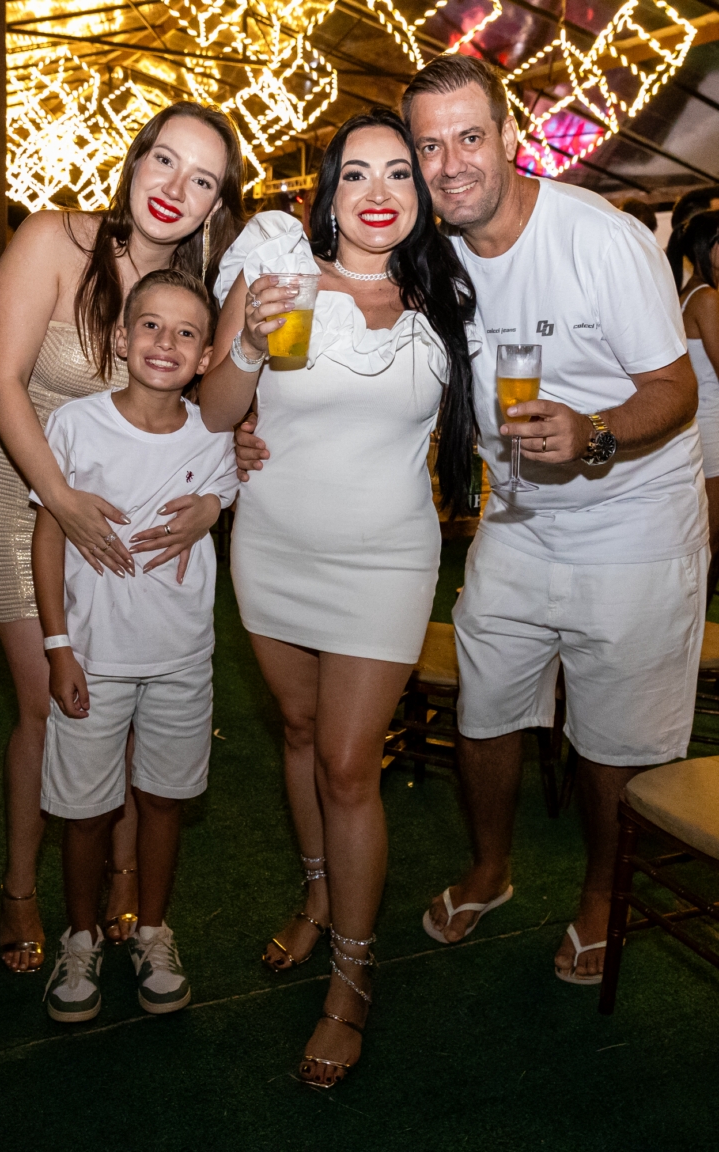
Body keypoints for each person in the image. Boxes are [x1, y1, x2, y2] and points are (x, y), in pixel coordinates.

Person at [237, 56, 707, 987]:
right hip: (518, 516)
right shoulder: (432, 256)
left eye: (469, 137)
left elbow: (676, 387)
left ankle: (599, 897)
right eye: (429, 145)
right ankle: (490, 869)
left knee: (611, 738)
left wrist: (595, 433)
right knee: (487, 710)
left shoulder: (601, 240)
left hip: (632, 520)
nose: (449, 164)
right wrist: (256, 425)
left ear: (509, 137)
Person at [201, 107, 475, 1085]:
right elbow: (219, 412)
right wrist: (245, 350)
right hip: (275, 547)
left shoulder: (450, 297)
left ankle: (353, 977)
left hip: (388, 559)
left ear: (423, 194)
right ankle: (318, 895)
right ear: (329, 194)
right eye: (355, 174)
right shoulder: (278, 273)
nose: (376, 193)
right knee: (300, 730)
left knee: (351, 765)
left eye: (398, 172)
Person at [0, 101, 245, 972]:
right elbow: (1, 379)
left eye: (202, 180)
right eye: (165, 160)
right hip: (25, 498)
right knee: (54, 703)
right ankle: (21, 888)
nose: (175, 188)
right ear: (135, 159)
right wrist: (61, 499)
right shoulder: (55, 239)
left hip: (129, 523)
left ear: (216, 204)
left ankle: (125, 880)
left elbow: (220, 416)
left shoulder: (202, 290)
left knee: (134, 702)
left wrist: (220, 492)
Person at [33, 268, 236, 1022]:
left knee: (163, 800)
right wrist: (58, 645)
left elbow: (232, 488)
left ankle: (153, 931)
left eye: (186, 333)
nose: (165, 343)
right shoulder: (75, 424)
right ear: (121, 338)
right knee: (85, 811)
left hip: (182, 658)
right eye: (150, 325)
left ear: (206, 356)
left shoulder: (214, 433)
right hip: (92, 656)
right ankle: (80, 937)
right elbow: (47, 534)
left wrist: (213, 504)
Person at [668, 211, 719, 598]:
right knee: (711, 539)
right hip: (713, 432)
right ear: (708, 248)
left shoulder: (686, 295)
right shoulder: (707, 299)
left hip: (700, 427)